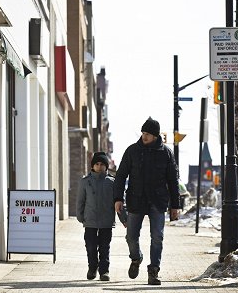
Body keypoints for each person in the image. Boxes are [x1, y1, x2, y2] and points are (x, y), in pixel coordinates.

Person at [113, 117, 180, 285]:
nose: (144, 136)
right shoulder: (132, 151)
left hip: (158, 201)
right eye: (143, 133)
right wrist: (118, 198)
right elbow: (120, 176)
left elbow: (173, 180)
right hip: (136, 199)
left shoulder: (166, 153)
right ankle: (136, 258)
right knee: (131, 236)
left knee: (157, 237)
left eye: (148, 134)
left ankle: (154, 271)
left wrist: (175, 205)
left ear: (156, 136)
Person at [76, 152, 115, 281]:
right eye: (97, 164)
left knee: (104, 247)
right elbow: (80, 201)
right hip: (90, 220)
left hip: (106, 221)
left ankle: (104, 271)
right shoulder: (85, 182)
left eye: (102, 164)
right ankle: (92, 268)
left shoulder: (111, 182)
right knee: (91, 246)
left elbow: (118, 202)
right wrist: (80, 216)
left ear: (106, 166)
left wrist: (123, 218)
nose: (99, 167)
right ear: (93, 166)